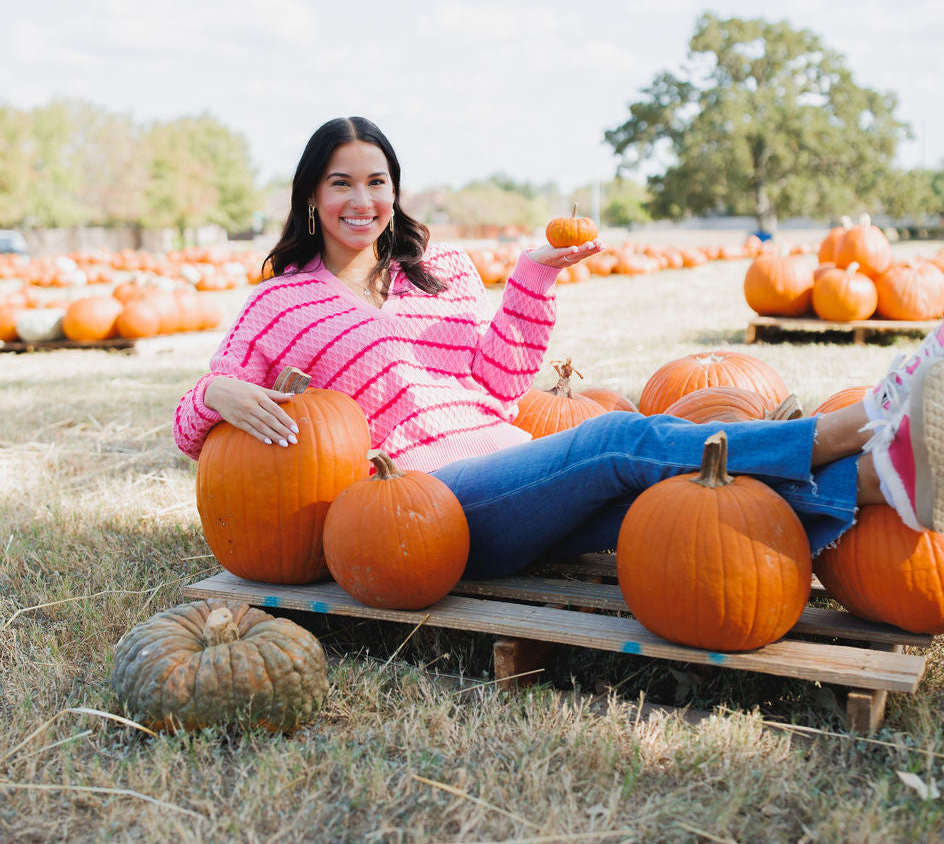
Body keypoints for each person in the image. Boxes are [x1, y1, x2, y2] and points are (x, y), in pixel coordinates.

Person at [174, 116, 944, 578]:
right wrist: (213, 394)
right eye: (341, 183)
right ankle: (846, 428)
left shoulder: (438, 270)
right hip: (434, 503)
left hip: (517, 468)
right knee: (612, 439)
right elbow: (187, 425)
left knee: (685, 505)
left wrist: (534, 279)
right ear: (312, 196)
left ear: (396, 191)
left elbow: (502, 382)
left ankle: (880, 479)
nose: (362, 200)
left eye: (378, 181)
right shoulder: (280, 304)